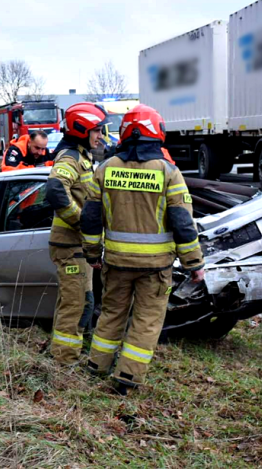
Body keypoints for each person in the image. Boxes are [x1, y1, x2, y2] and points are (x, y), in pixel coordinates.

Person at [81, 104, 205, 395]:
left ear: (125, 133)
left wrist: (91, 254)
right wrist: (194, 264)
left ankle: (97, 367)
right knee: (147, 321)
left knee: (111, 314)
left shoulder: (105, 169)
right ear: (157, 133)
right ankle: (126, 376)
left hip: (115, 263)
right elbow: (182, 223)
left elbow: (90, 218)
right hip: (156, 267)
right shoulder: (168, 172)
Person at [45, 103, 108, 364]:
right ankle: (64, 360)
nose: (100, 136)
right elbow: (55, 191)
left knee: (85, 301)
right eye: (97, 130)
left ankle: (71, 354)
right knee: (75, 305)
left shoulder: (82, 157)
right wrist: (81, 222)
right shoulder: (70, 158)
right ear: (82, 129)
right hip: (69, 246)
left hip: (79, 247)